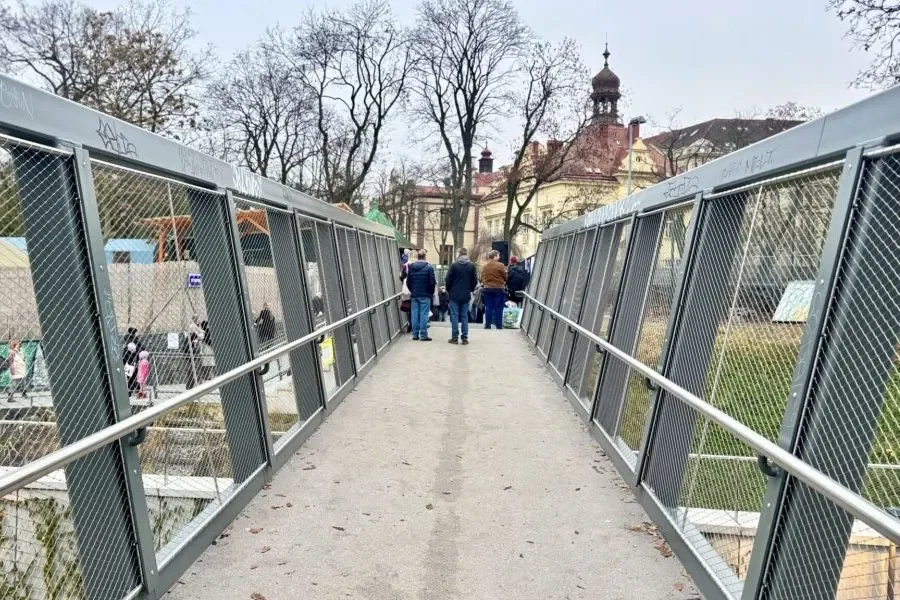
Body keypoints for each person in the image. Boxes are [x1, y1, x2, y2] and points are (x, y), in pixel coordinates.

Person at [444, 247, 478, 345]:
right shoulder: (471, 266)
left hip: (454, 294)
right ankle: (465, 338)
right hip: (466, 294)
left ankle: (454, 338)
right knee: (464, 316)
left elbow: (448, 279)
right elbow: (474, 281)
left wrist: (449, 290)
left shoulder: (454, 265)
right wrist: (470, 289)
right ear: (466, 254)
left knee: (454, 316)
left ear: (459, 254)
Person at [405, 249, 435, 341]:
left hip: (414, 295)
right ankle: (423, 335)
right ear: (425, 257)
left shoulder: (412, 267)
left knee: (414, 314)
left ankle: (415, 334)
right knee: (423, 314)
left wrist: (413, 290)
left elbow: (408, 282)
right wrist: (430, 293)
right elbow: (432, 282)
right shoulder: (429, 267)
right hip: (425, 295)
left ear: (418, 257)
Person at [481, 250, 508, 330]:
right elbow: (505, 277)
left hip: (487, 289)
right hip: (498, 289)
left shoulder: (485, 266)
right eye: (498, 255)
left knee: (488, 307)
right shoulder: (500, 265)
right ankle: (498, 326)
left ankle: (487, 325)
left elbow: (481, 278)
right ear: (495, 256)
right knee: (498, 308)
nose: (499, 257)